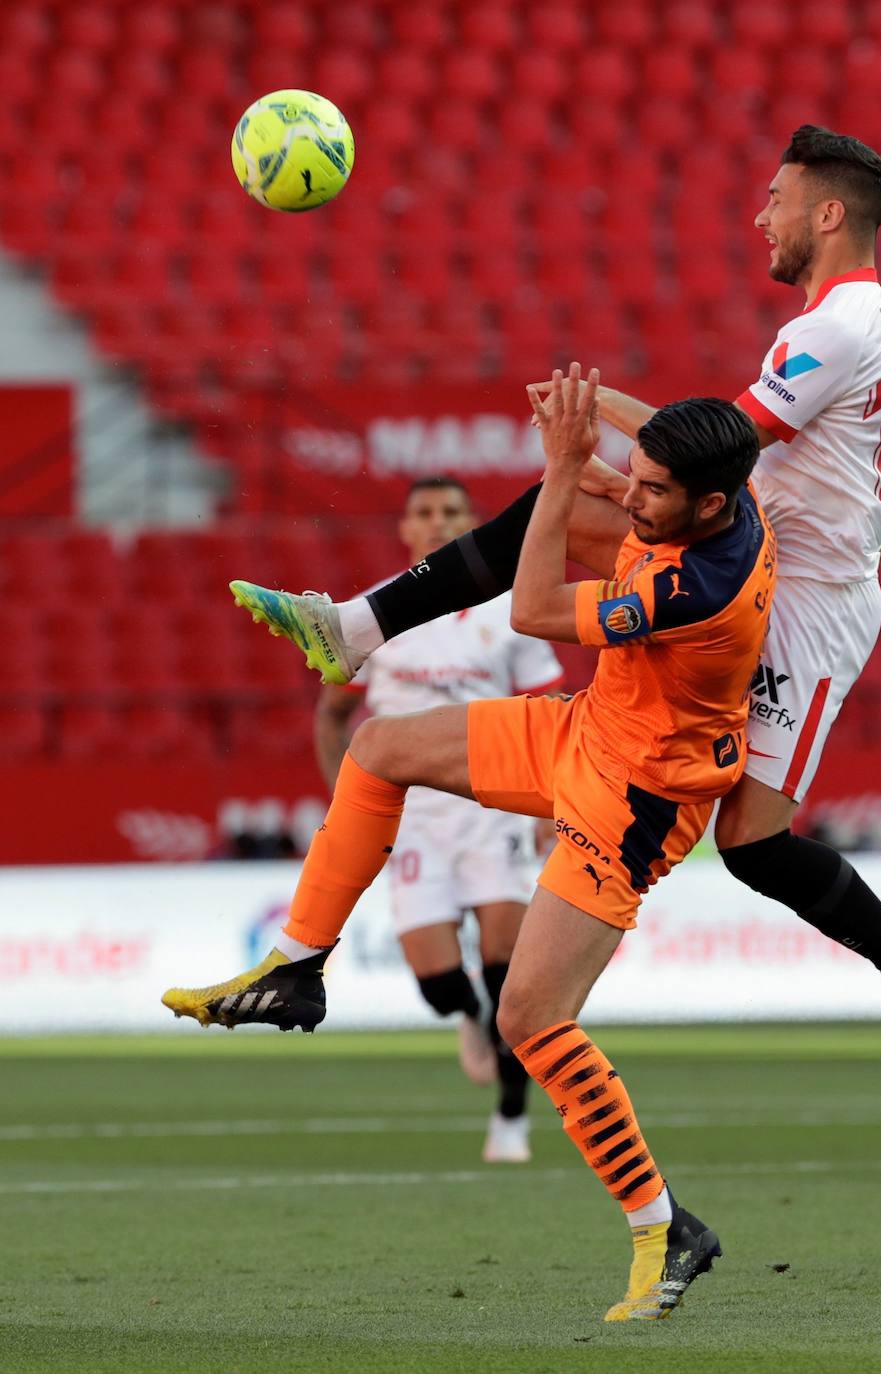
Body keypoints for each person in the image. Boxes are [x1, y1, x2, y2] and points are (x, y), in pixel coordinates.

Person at [221, 126, 881, 1089]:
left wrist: (597, 408)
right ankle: (355, 627)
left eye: (775, 199)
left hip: (807, 613)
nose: (760, 216)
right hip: (742, 558)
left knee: (753, 844)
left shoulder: (838, 328)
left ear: (827, 213)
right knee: (560, 504)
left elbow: (712, 446)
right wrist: (879, 493)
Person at [165, 371, 776, 1321]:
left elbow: (531, 612)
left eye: (653, 490)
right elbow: (655, 438)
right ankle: (295, 965)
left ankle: (665, 1228)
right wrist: (596, 410)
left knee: (531, 1022)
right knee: (378, 747)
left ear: (710, 504)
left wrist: (570, 466)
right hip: (588, 729)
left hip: (635, 801)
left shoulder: (696, 585)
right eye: (639, 478)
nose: (636, 492)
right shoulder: (716, 496)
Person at [315, 475, 565, 1164]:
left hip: (494, 804)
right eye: (423, 513)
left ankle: (511, 1119)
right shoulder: (378, 614)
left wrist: (551, 801)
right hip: (412, 814)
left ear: (471, 521)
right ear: (405, 529)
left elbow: (550, 707)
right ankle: (468, 1017)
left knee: (507, 968)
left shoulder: (511, 607)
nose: (436, 522)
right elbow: (333, 714)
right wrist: (348, 798)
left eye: (450, 512)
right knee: (437, 984)